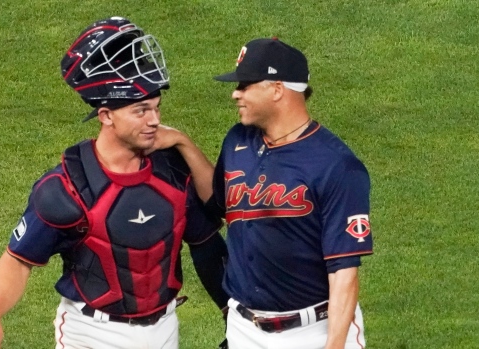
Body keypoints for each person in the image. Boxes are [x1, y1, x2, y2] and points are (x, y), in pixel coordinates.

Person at [0, 16, 228, 349]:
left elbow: (207, 243)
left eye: (156, 108)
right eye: (141, 111)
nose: (155, 121)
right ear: (106, 116)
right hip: (92, 334)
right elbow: (18, 261)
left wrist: (229, 309)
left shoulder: (174, 171)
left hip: (164, 329)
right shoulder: (65, 187)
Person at [155, 38, 373, 349]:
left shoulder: (336, 166)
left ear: (276, 89)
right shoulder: (238, 140)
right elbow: (218, 202)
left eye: (245, 85)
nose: (235, 93)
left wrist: (334, 345)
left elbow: (344, 273)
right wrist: (183, 143)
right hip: (245, 329)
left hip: (314, 330)